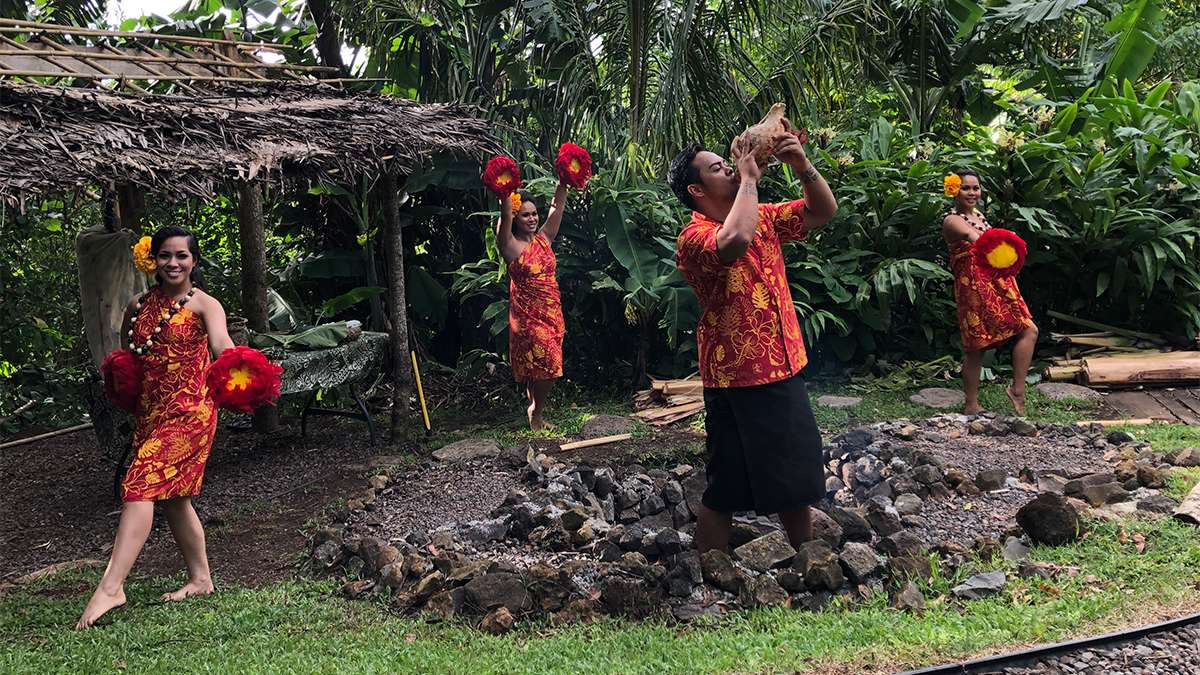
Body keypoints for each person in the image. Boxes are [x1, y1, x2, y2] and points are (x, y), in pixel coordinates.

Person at [668, 128, 838, 553]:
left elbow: (823, 211)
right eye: (717, 168)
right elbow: (734, 242)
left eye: (727, 164)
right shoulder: (694, 237)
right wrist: (747, 179)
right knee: (725, 484)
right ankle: (709, 575)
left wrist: (802, 165)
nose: (728, 167)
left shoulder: (762, 215)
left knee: (795, 477)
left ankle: (807, 565)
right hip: (739, 375)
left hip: (783, 364)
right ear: (696, 189)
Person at [77, 226, 234, 629]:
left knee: (139, 485)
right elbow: (133, 359)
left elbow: (223, 346)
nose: (174, 263)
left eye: (182, 256)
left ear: (194, 261)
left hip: (191, 413)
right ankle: (201, 579)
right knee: (174, 498)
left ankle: (112, 587)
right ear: (153, 260)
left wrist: (239, 366)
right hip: (152, 414)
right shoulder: (138, 305)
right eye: (166, 255)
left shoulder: (205, 305)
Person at [942, 171, 1038, 416]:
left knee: (1029, 329)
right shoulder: (952, 220)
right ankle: (971, 404)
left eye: (976, 188)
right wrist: (1001, 245)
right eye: (966, 188)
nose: (972, 193)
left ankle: (1017, 389)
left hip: (997, 282)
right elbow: (975, 239)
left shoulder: (980, 216)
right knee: (976, 347)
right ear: (955, 191)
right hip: (973, 288)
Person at [495, 181, 569, 430]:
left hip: (552, 311)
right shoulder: (509, 246)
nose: (532, 218)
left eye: (534, 213)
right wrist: (505, 192)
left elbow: (556, 208)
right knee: (547, 363)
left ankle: (535, 409)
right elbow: (505, 214)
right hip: (527, 316)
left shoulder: (544, 239)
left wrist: (564, 182)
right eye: (525, 214)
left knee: (539, 365)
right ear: (515, 218)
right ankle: (536, 412)